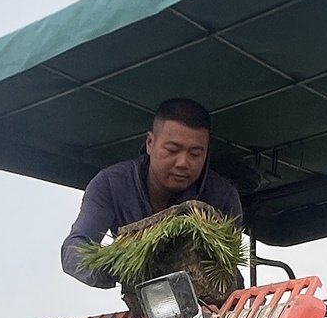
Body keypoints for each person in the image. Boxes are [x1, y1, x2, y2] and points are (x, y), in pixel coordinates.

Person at [60, 97, 243, 288]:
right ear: (150, 143)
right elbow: (74, 249)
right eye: (172, 150)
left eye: (195, 154)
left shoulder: (223, 197)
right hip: (145, 301)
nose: (182, 162)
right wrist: (118, 265)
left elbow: (228, 267)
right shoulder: (110, 184)